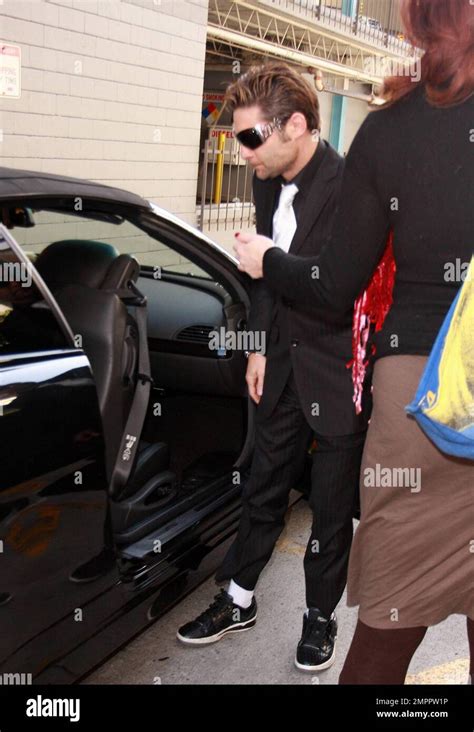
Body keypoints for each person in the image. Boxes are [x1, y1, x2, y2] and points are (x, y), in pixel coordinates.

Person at [234, 0, 474, 684]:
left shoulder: (388, 134)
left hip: (419, 397)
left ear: (415, 20)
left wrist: (266, 263)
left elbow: (335, 283)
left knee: (386, 629)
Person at [177, 63, 371, 671]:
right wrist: (258, 345)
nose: (244, 153)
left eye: (252, 138)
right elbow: (261, 282)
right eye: (238, 139)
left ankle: (319, 617)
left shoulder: (352, 187)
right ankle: (237, 598)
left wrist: (270, 259)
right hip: (282, 363)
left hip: (337, 371)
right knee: (262, 487)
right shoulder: (267, 179)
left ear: (295, 125)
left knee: (331, 512)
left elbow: (335, 288)